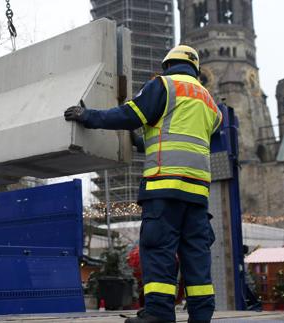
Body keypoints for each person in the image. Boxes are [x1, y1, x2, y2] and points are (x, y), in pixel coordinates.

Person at [64, 45, 222, 323]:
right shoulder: (210, 103)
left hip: (164, 189)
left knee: (159, 250)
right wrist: (142, 142)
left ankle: (159, 315)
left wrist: (89, 117)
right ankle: (202, 317)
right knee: (196, 259)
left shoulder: (163, 86)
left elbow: (129, 115)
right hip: (197, 197)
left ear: (167, 66)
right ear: (195, 69)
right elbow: (180, 134)